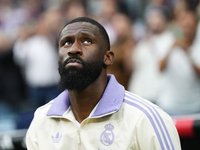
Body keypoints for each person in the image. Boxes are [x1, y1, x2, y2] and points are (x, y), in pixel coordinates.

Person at [26, 17, 181, 150]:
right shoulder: (41, 119)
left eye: (86, 41)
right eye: (66, 43)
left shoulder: (146, 117)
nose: (73, 49)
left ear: (108, 58)